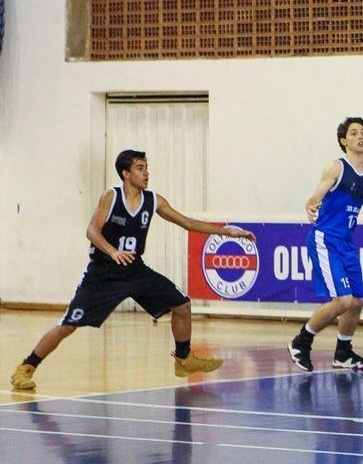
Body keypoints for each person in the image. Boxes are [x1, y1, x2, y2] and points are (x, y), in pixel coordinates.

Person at [9, 150, 255, 391]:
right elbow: (92, 231)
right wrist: (112, 251)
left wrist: (228, 231)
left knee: (182, 304)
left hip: (135, 271)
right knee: (68, 325)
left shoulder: (154, 200)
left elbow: (188, 222)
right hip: (103, 274)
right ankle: (26, 367)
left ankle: (184, 359)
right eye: (140, 168)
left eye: (146, 167)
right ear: (126, 174)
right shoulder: (111, 197)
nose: (146, 173)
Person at [288, 117, 363, 372]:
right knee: (343, 300)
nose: (360, 136)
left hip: (346, 243)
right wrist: (310, 203)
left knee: (357, 301)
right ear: (344, 140)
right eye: (354, 133)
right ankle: (301, 341)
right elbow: (315, 196)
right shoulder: (336, 167)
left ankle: (343, 353)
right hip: (325, 238)